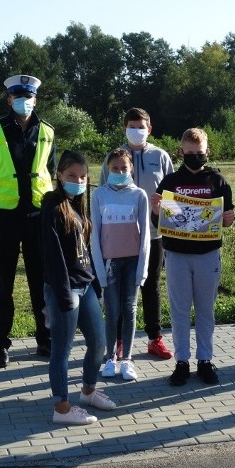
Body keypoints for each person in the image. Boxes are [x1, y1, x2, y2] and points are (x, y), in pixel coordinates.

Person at [0, 74, 54, 368]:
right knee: (4, 284)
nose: (24, 101)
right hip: (6, 217)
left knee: (41, 281)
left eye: (29, 96)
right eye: (18, 96)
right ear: (9, 99)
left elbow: (50, 170)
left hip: (36, 216)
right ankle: (1, 345)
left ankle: (45, 340)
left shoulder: (46, 131)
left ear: (35, 98)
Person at [150, 128, 234, 386]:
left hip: (208, 253)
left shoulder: (218, 181)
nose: (195, 157)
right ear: (181, 152)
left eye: (200, 153)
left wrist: (229, 219)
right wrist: (155, 210)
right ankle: (182, 361)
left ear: (207, 152)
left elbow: (227, 218)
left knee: (206, 310)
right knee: (179, 310)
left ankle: (205, 360)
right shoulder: (170, 182)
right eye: (190, 153)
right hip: (176, 254)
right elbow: (159, 220)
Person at [41, 150, 116, 425]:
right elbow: (52, 257)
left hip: (85, 287)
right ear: (59, 175)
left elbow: (85, 252)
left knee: (99, 343)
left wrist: (95, 284)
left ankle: (88, 391)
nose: (78, 180)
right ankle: (61, 409)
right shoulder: (52, 206)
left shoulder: (77, 204)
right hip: (65, 290)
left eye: (83, 176)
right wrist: (62, 296)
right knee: (62, 349)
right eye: (71, 175)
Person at [98, 108, 174, 360]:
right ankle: (119, 341)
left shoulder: (161, 156)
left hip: (153, 235)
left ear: (149, 129)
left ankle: (155, 338)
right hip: (118, 238)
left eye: (141, 126)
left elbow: (173, 194)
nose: (136, 130)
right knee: (119, 292)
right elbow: (101, 193)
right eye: (132, 126)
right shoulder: (114, 156)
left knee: (151, 286)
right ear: (124, 129)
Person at [91, 149, 150, 382]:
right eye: (115, 168)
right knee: (112, 310)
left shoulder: (139, 195)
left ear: (131, 169)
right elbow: (94, 234)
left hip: (132, 261)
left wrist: (142, 270)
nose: (119, 172)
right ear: (107, 169)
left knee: (130, 308)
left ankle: (126, 359)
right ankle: (109, 358)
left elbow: (145, 234)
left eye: (124, 168)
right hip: (109, 262)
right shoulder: (99, 195)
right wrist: (99, 271)